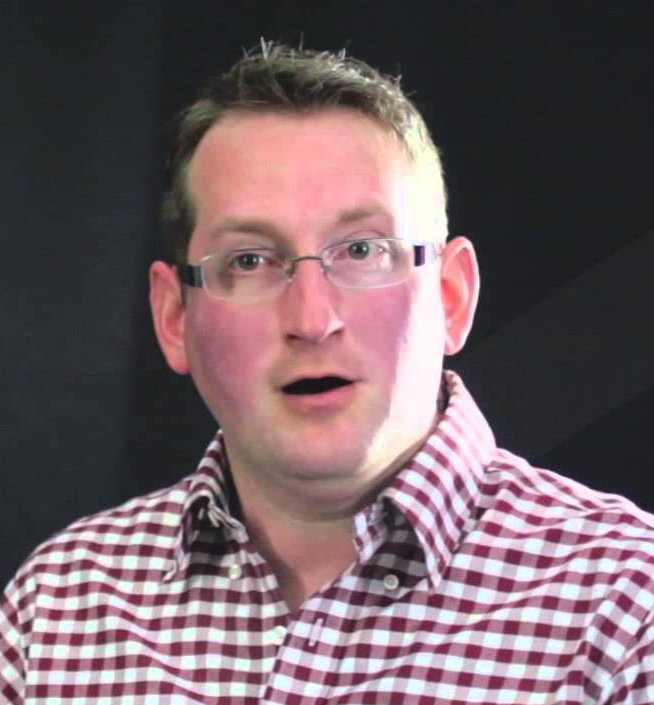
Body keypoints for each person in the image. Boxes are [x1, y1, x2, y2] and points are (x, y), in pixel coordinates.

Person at [1, 42, 653, 704]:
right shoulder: (55, 611)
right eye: (250, 261)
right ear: (174, 318)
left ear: (450, 297)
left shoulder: (626, 611)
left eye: (363, 250)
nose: (312, 320)